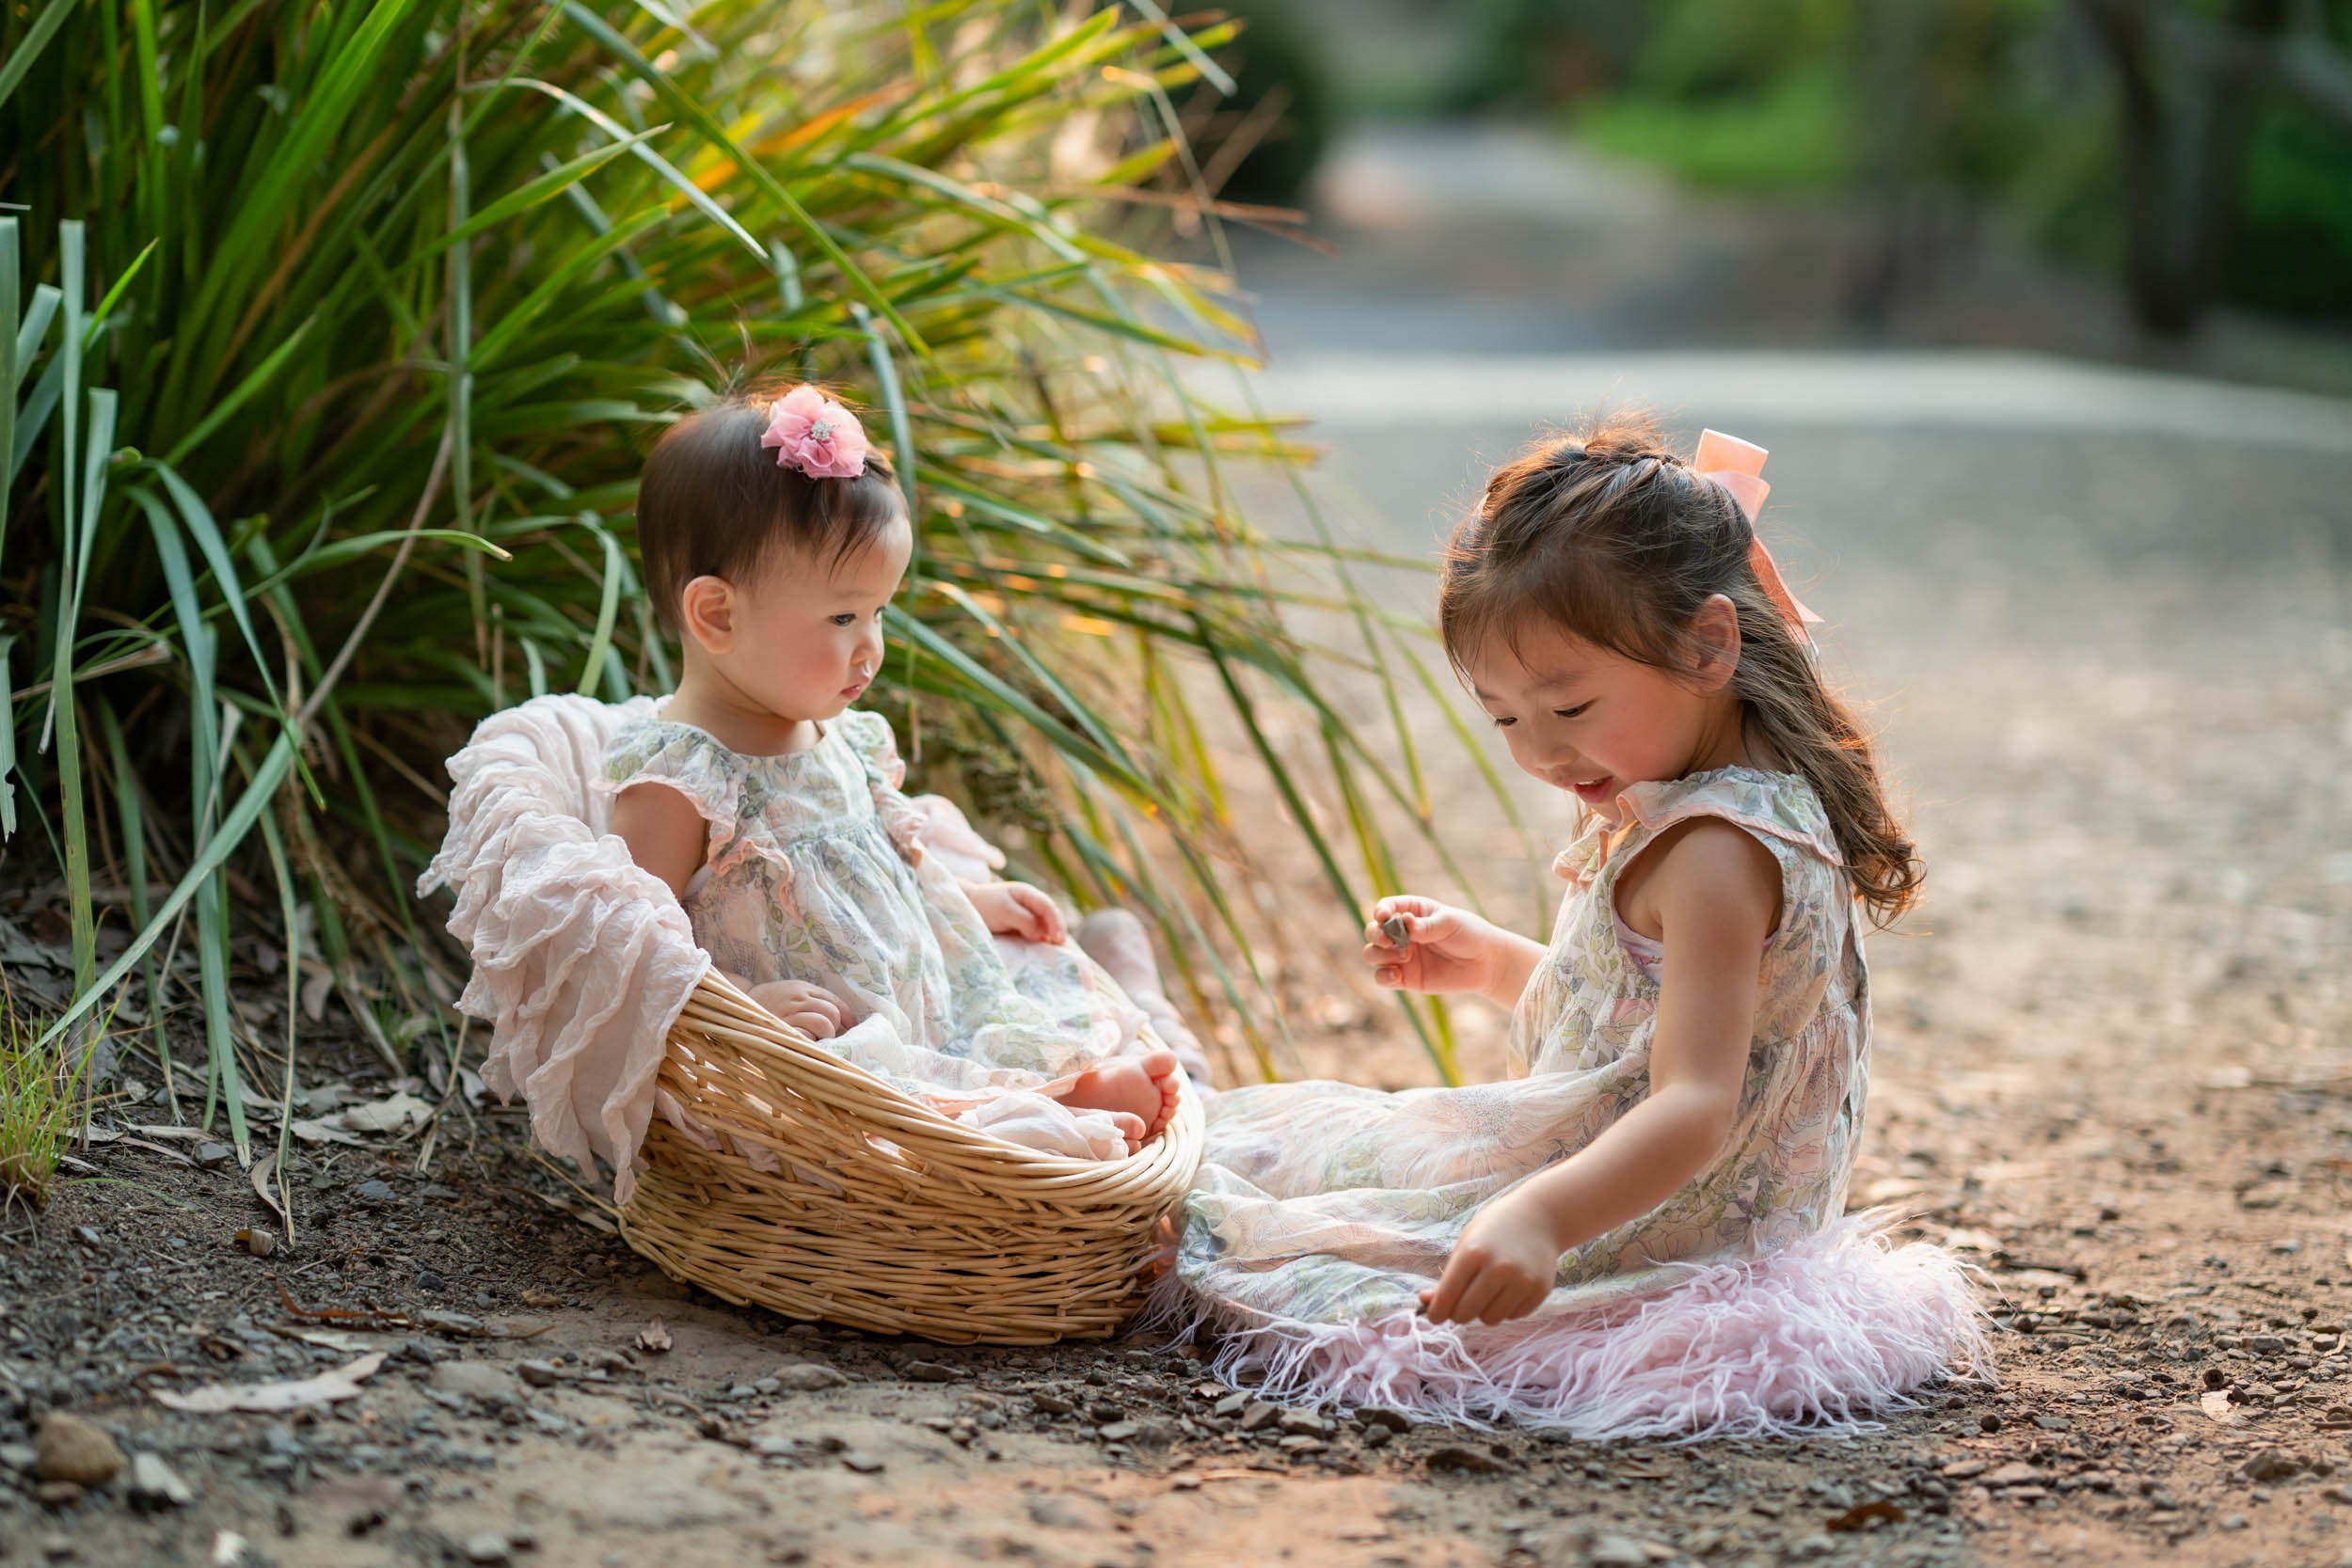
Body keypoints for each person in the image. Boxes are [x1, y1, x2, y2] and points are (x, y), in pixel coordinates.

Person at [1155, 417, 1987, 1436]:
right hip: (1662, 1187)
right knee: (1287, 1151)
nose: (1541, 750)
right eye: (1505, 717)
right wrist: (1496, 961)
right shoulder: (1703, 791)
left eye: (1570, 704)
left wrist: (1540, 1216)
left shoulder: (1716, 850)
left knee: (1266, 1205)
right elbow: (1644, 1019)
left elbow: (1692, 1098)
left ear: (1708, 643)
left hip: (1653, 1217)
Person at [603, 383, 1191, 1160]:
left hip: (918, 994)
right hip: (815, 1053)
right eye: (844, 616)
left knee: (994, 1019)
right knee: (888, 1087)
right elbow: (635, 944)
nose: (870, 646)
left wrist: (971, 900)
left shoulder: (834, 733)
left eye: (879, 613)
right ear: (717, 614)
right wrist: (741, 1005)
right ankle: (1023, 1133)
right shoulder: (682, 774)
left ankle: (1056, 1095)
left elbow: (883, 865)